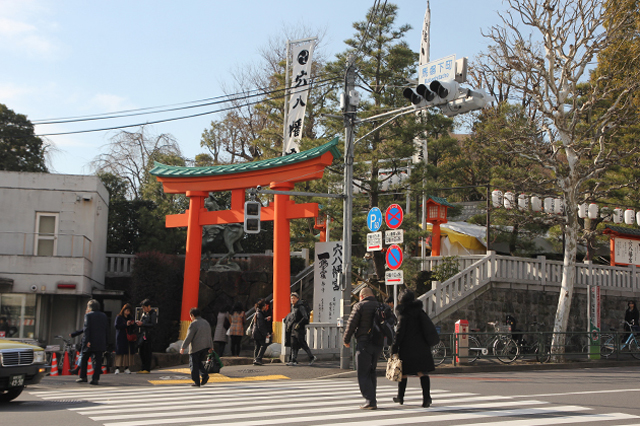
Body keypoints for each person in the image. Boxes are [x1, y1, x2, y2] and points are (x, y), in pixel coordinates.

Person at [391, 289, 440, 408]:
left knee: (403, 373)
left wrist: (394, 348)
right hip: (422, 347)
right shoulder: (420, 312)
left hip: (407, 348)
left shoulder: (403, 315)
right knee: (422, 372)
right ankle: (427, 398)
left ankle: (400, 397)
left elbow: (399, 333)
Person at [343, 287, 386, 410]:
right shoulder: (381, 306)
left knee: (363, 372)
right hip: (378, 344)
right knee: (372, 371)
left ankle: (370, 400)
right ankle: (372, 398)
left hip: (364, 343)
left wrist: (346, 340)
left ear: (362, 296)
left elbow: (351, 324)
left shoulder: (360, 306)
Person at [77, 299, 108, 385]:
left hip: (90, 342)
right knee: (98, 361)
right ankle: (95, 379)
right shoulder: (104, 315)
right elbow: (105, 329)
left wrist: (87, 341)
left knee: (84, 359)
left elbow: (87, 329)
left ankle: (83, 377)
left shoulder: (88, 315)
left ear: (90, 307)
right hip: (100, 341)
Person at [180, 307, 214, 387]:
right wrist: (211, 346)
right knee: (198, 363)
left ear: (192, 315)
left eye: (190, 316)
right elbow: (209, 336)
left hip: (196, 347)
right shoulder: (206, 322)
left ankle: (197, 381)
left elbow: (189, 337)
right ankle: (204, 375)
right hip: (205, 346)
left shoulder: (194, 324)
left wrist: (183, 347)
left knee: (193, 365)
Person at [286, 292, 317, 366]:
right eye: (291, 298)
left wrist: (299, 324)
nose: (292, 300)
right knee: (293, 343)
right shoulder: (293, 307)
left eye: (294, 298)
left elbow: (305, 317)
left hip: (299, 328)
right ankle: (293, 359)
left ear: (297, 299)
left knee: (302, 343)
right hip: (293, 327)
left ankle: (311, 357)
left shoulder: (300, 307)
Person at [114, 303, 136, 374]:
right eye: (126, 310)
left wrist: (132, 324)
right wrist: (125, 325)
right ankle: (117, 368)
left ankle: (126, 367)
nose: (127, 312)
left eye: (129, 311)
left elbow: (134, 328)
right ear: (123, 310)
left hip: (128, 338)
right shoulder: (119, 317)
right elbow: (116, 326)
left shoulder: (131, 317)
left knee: (127, 353)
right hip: (121, 337)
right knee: (119, 353)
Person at [136, 299, 157, 373]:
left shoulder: (153, 313)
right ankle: (143, 367)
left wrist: (143, 324)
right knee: (141, 351)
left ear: (149, 306)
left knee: (147, 352)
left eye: (144, 307)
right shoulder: (144, 314)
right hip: (142, 334)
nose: (143, 309)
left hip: (149, 335)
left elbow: (153, 325)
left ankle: (147, 368)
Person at [251, 299, 271, 365]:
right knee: (264, 345)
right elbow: (260, 325)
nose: (266, 307)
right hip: (259, 333)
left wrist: (265, 319)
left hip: (255, 332)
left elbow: (260, 322)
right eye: (265, 305)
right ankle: (258, 358)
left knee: (257, 347)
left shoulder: (258, 313)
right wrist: (266, 334)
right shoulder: (260, 314)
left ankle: (255, 359)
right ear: (263, 307)